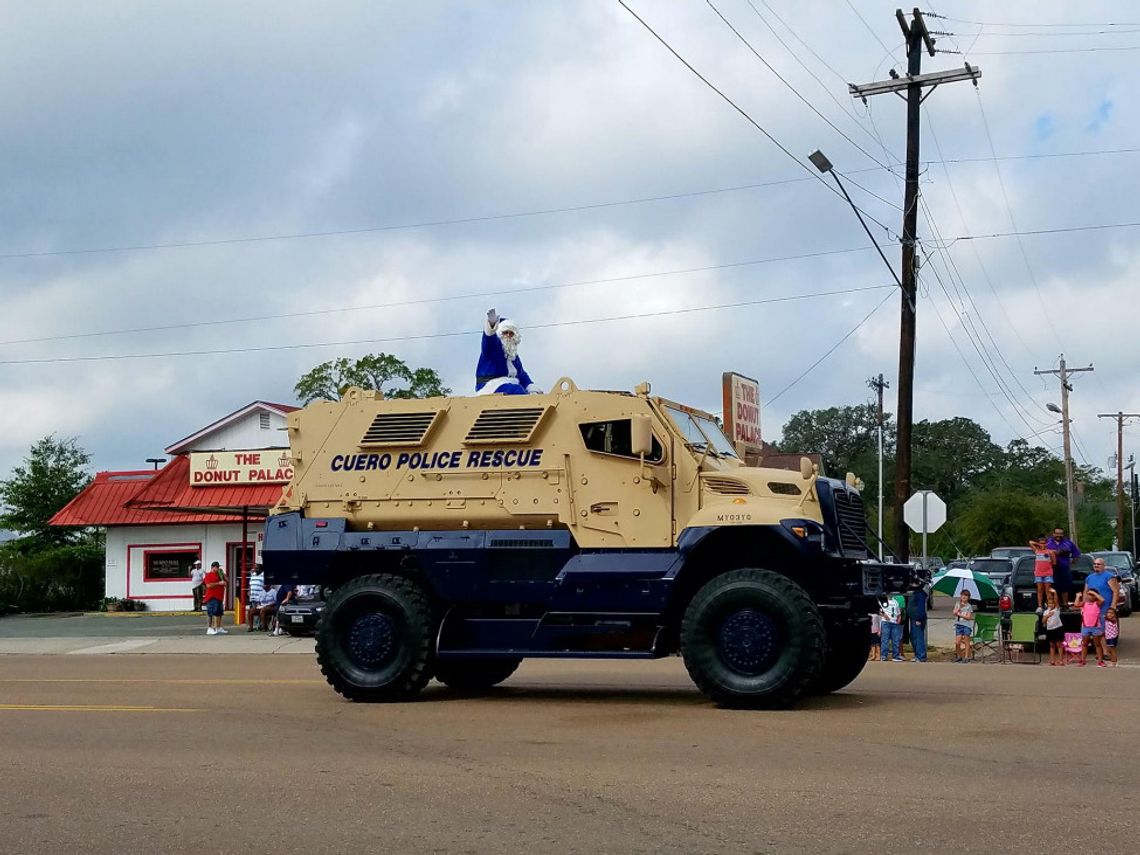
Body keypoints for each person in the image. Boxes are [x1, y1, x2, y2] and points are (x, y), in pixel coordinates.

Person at [475, 308, 543, 396]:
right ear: (499, 334)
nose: (508, 335)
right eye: (505, 333)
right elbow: (489, 341)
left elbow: (522, 374)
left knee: (530, 394)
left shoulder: (513, 356)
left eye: (511, 333)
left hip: (511, 385)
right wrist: (491, 326)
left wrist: (531, 387)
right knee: (516, 390)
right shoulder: (494, 348)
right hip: (490, 385)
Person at [1046, 527, 1080, 608]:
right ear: (1053, 534)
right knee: (1053, 587)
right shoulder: (1048, 543)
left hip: (1064, 568)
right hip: (1051, 568)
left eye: (1061, 534)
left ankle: (1065, 604)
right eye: (1057, 533)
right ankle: (1053, 605)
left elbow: (1076, 553)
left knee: (1065, 587)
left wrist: (1073, 561)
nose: (1059, 535)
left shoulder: (1068, 543)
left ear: (1063, 534)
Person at [1084, 557, 1120, 629]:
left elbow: (1116, 591)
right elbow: (1085, 592)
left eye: (1098, 564)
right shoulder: (1089, 578)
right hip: (1093, 609)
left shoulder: (1109, 576)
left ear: (1104, 566)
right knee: (1096, 630)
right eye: (1094, 564)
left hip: (1106, 607)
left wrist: (1113, 607)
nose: (1096, 565)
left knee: (1108, 630)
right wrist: (1084, 606)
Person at [1079, 589, 1105, 667]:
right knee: (1084, 644)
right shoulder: (1084, 604)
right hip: (1086, 627)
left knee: (1097, 644)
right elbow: (1076, 604)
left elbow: (1102, 600)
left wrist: (1094, 593)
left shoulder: (1097, 604)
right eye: (1088, 594)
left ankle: (1100, 660)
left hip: (1095, 627)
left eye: (1092, 595)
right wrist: (1078, 596)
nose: (1090, 596)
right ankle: (1083, 660)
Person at [1029, 535, 1055, 613]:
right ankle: (1040, 606)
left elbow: (1054, 563)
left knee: (1048, 590)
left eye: (1044, 543)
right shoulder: (1036, 550)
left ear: (1046, 544)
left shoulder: (1050, 551)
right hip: (1038, 573)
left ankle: (1049, 605)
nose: (1042, 545)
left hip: (1048, 573)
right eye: (1041, 543)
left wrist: (1051, 558)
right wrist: (1038, 544)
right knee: (1040, 590)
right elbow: (1030, 542)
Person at [202, 561, 228, 636]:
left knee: (219, 613)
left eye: (218, 567)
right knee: (211, 613)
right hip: (212, 597)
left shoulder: (219, 575)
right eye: (216, 567)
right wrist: (218, 583)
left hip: (220, 596)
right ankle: (209, 628)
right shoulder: (209, 575)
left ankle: (218, 627)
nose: (218, 568)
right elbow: (208, 585)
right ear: (213, 567)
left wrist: (223, 576)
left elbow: (227, 580)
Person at [907, 579, 928, 662]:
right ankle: (917, 655)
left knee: (918, 637)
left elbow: (921, 607)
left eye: (914, 584)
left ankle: (921, 656)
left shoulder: (920, 594)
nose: (912, 585)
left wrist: (918, 618)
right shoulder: (914, 593)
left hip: (917, 619)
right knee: (913, 637)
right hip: (912, 618)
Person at [1043, 589, 1065, 666]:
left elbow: (1056, 600)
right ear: (1047, 604)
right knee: (1052, 645)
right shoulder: (1046, 612)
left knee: (1059, 645)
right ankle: (1052, 660)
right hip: (1050, 629)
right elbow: (1043, 621)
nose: (1051, 605)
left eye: (1052, 603)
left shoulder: (1057, 610)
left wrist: (1055, 592)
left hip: (1058, 628)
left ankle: (1061, 660)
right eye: (1049, 603)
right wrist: (1047, 616)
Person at [952, 591, 975, 663]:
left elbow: (968, 617)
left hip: (966, 625)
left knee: (966, 641)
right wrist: (959, 609)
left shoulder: (969, 606)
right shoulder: (957, 604)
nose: (964, 597)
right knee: (957, 642)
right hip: (958, 624)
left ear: (968, 598)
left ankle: (966, 656)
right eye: (962, 595)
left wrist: (960, 615)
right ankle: (959, 656)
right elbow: (954, 613)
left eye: (966, 596)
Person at [879, 595, 902, 662]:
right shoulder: (883, 601)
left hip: (894, 622)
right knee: (885, 640)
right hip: (886, 622)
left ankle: (895, 656)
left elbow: (898, 613)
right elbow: (879, 610)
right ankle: (883, 656)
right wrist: (884, 615)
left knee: (895, 640)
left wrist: (899, 618)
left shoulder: (895, 602)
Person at [246, 565, 266, 632]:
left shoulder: (263, 575)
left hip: (260, 597)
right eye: (255, 568)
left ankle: (259, 626)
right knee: (254, 611)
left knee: (260, 612)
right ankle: (255, 625)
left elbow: (265, 585)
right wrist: (249, 590)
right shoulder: (253, 574)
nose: (255, 569)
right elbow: (250, 584)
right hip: (253, 596)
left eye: (257, 568)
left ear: (261, 569)